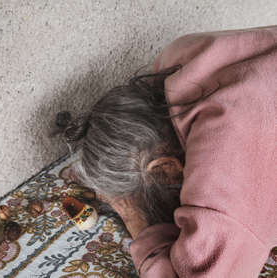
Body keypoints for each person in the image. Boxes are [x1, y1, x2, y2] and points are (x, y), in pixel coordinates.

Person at [59, 26, 277, 277]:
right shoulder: (178, 58)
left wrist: (134, 218)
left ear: (166, 169)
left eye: (129, 197)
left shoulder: (225, 178)